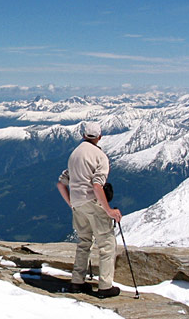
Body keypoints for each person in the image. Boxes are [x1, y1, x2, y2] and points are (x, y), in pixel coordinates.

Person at [64, 121, 122, 298]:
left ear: (83, 135)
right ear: (99, 137)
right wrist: (109, 210)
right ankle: (105, 286)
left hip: (77, 203)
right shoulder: (100, 156)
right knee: (106, 243)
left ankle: (77, 281)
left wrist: (71, 202)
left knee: (84, 242)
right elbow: (97, 185)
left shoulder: (74, 154)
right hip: (92, 203)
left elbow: (64, 181)